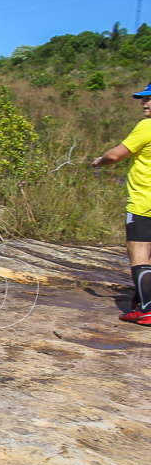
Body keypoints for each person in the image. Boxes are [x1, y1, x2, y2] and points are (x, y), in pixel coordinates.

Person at [92, 80, 151, 324]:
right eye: (143, 99)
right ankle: (142, 301)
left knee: (139, 254)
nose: (144, 103)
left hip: (143, 202)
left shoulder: (147, 126)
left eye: (149, 99)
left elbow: (116, 155)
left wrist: (99, 161)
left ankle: (147, 309)